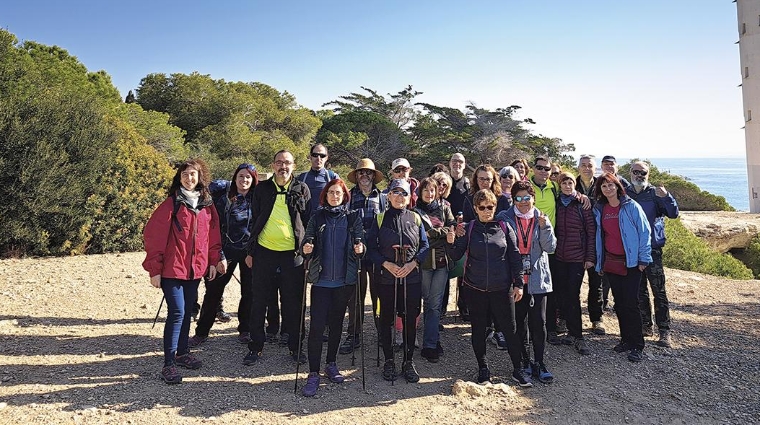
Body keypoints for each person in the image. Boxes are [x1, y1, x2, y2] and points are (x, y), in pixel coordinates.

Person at [142, 158, 222, 384]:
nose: (189, 178)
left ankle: (182, 352)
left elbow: (212, 237)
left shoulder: (206, 204)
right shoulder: (171, 204)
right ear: (179, 177)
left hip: (195, 271)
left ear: (200, 178)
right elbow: (153, 238)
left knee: (187, 312)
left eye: (193, 174)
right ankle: (168, 364)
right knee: (177, 313)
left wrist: (213, 261)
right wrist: (154, 270)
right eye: (185, 174)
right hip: (171, 271)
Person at [446, 189, 530, 386]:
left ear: (495, 207)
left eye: (490, 207)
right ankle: (483, 368)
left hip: (502, 288)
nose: (486, 211)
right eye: (482, 207)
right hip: (475, 289)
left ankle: (517, 369)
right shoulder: (469, 228)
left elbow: (515, 257)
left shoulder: (504, 227)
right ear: (475, 208)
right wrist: (450, 243)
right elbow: (456, 255)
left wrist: (518, 283)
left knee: (510, 329)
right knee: (479, 330)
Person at [243, 150, 312, 365]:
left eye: (288, 163)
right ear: (273, 165)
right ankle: (256, 346)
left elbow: (308, 219)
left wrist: (307, 247)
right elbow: (254, 219)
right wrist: (251, 251)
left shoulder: (302, 188)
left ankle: (296, 346)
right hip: (264, 252)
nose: (283, 166)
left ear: (294, 165)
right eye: (279, 163)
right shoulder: (262, 189)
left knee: (294, 302)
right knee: (259, 301)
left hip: (293, 255)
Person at [300, 179, 364, 397]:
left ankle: (331, 364)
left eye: (338, 193)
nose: (335, 196)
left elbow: (360, 243)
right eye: (331, 193)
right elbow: (306, 242)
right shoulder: (317, 216)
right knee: (317, 328)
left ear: (344, 195)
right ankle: (313, 373)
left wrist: (360, 247)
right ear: (325, 195)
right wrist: (306, 247)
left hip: (343, 282)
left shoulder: (352, 216)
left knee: (336, 325)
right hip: (321, 281)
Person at [367, 178, 429, 383]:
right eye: (395, 192)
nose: (399, 197)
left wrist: (413, 264)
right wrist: (386, 264)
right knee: (386, 320)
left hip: (411, 278)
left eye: (403, 193)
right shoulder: (379, 219)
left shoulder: (416, 218)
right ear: (389, 195)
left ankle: (408, 361)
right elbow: (371, 249)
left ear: (409, 196)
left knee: (410, 319)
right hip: (386, 278)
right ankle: (389, 360)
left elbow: (424, 246)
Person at [190, 163, 258, 348]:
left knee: (249, 292)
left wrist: (253, 252)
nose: (244, 180)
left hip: (249, 251)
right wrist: (218, 254)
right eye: (241, 176)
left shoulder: (258, 197)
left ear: (253, 180)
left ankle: (245, 330)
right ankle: (202, 332)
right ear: (235, 177)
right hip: (225, 250)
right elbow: (213, 223)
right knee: (213, 291)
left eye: (248, 177)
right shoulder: (222, 194)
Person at [498, 180, 557, 384]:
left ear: (533, 198)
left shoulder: (541, 217)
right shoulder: (504, 218)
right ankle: (523, 360)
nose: (523, 202)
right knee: (519, 322)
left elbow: (550, 248)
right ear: (513, 200)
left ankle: (539, 362)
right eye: (518, 198)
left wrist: (545, 227)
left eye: (527, 198)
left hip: (537, 277)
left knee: (539, 322)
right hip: (515, 279)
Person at [593, 172, 652, 362]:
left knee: (631, 303)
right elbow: (600, 237)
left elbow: (644, 233)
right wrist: (600, 261)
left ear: (618, 186)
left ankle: (637, 344)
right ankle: (625, 339)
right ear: (600, 190)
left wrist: (644, 259)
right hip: (611, 261)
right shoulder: (601, 209)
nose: (608, 189)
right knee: (619, 303)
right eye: (604, 186)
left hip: (632, 263)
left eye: (611, 185)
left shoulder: (631, 206)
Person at [626, 161, 679, 348]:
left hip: (653, 249)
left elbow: (673, 214)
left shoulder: (655, 193)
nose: (639, 175)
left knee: (659, 291)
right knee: (639, 290)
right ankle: (645, 326)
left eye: (643, 172)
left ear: (648, 174)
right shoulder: (625, 193)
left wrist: (667, 197)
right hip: (633, 250)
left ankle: (664, 331)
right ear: (630, 172)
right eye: (636, 171)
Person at [340, 158, 386, 355]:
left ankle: (383, 333)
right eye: (361, 172)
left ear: (374, 176)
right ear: (356, 175)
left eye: (368, 173)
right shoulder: (349, 197)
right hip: (355, 254)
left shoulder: (383, 198)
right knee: (355, 297)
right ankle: (354, 335)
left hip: (376, 254)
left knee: (379, 296)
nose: (364, 176)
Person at [553, 171, 596, 354]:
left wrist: (590, 257)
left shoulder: (582, 204)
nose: (567, 186)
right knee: (561, 294)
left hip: (577, 258)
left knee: (572, 295)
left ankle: (578, 335)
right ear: (560, 185)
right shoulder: (556, 203)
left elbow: (591, 232)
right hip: (558, 256)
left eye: (570, 182)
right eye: (564, 183)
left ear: (574, 184)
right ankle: (569, 332)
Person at [414, 177, 456, 363]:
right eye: (426, 190)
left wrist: (437, 233)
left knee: (434, 304)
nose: (430, 193)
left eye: (433, 190)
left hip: (441, 262)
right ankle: (420, 340)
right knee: (424, 301)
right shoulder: (415, 212)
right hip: (423, 263)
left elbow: (452, 227)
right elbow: (420, 235)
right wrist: (440, 233)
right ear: (420, 192)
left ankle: (430, 344)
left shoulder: (444, 207)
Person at [575, 155, 607, 332]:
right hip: (575, 240)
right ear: (578, 167)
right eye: (583, 165)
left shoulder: (602, 186)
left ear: (595, 168)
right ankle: (568, 317)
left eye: (590, 166)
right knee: (573, 281)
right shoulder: (571, 184)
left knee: (596, 281)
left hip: (597, 239)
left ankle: (597, 318)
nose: (587, 168)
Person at [445, 153, 471, 322]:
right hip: (446, 228)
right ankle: (441, 307)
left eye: (460, 161)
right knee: (444, 268)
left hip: (464, 229)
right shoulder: (444, 181)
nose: (457, 164)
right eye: (454, 161)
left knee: (464, 271)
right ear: (450, 163)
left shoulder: (468, 184)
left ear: (464, 164)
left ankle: (464, 307)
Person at [297, 143, 339, 213]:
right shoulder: (301, 178)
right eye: (315, 155)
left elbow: (341, 200)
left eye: (322, 156)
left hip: (326, 220)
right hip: (305, 221)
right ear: (310, 157)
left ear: (326, 158)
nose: (318, 158)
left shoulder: (333, 177)